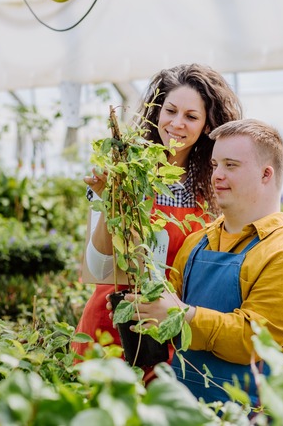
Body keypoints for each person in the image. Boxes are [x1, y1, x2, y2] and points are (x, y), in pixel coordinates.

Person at [123, 119, 283, 405]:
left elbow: (253, 341)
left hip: (248, 413)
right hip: (185, 407)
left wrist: (182, 316)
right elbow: (166, 312)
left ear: (266, 174)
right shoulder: (197, 241)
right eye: (215, 165)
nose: (216, 175)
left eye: (231, 165)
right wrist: (139, 309)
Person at [72, 64, 243, 365]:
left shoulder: (212, 194)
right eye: (170, 111)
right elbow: (98, 268)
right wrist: (113, 197)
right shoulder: (125, 173)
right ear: (157, 113)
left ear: (206, 126)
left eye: (191, 117)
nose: (177, 123)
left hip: (169, 335)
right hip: (109, 324)